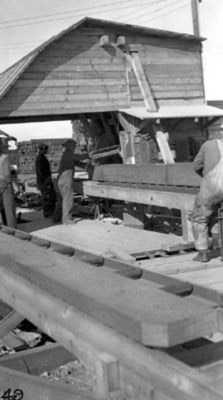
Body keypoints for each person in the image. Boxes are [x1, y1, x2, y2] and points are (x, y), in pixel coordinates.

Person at [191, 123, 223, 262]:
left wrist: (207, 178)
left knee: (200, 217)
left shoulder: (208, 145)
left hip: (211, 189)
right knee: (218, 217)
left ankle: (203, 253)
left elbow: (196, 166)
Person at [56, 139, 89, 224]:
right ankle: (67, 219)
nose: (75, 148)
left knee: (62, 200)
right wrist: (88, 155)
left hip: (61, 180)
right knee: (68, 199)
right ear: (71, 146)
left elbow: (77, 162)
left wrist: (87, 166)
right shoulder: (68, 154)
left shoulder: (66, 155)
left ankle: (56, 217)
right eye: (74, 146)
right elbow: (79, 157)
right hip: (66, 180)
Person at [35, 143, 56, 218]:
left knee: (49, 196)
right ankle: (48, 213)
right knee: (47, 197)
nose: (47, 150)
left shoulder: (42, 158)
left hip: (45, 181)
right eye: (45, 149)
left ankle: (49, 212)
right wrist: (45, 181)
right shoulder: (40, 159)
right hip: (44, 182)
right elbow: (40, 172)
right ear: (42, 149)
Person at [0, 139, 17, 228]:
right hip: (4, 183)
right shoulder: (4, 157)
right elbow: (7, 173)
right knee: (9, 208)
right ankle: (12, 228)